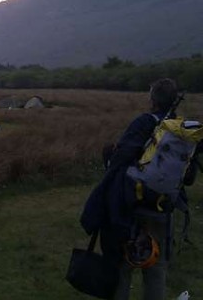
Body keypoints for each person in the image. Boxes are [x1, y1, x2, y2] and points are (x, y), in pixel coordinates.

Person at [80, 78, 199, 300]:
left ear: (152, 99)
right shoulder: (181, 131)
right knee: (156, 268)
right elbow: (189, 177)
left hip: (132, 207)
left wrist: (109, 157)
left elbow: (121, 158)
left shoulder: (143, 122)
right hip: (163, 208)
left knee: (123, 266)